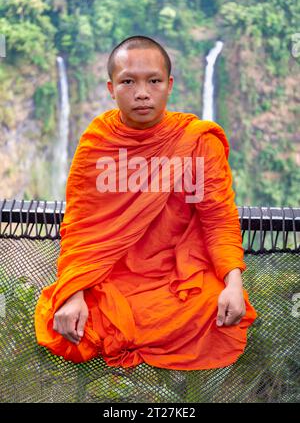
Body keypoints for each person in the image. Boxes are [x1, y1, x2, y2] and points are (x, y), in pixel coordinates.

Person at [35, 35, 257, 370]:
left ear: (168, 85)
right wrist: (73, 292)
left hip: (176, 274)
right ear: (111, 88)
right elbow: (79, 225)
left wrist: (233, 283)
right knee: (66, 321)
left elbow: (218, 219)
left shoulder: (196, 142)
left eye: (153, 81)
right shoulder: (98, 142)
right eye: (128, 81)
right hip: (112, 275)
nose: (142, 93)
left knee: (216, 307)